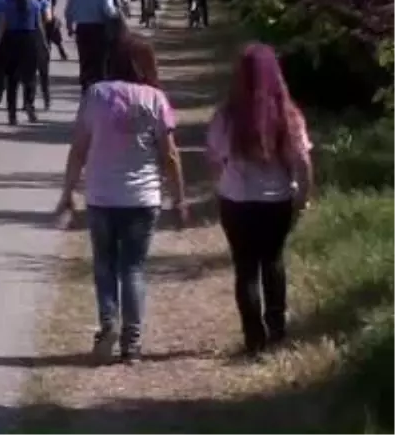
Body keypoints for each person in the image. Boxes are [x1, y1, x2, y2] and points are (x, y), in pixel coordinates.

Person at [54, 33, 189, 365]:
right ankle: (132, 342)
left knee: (104, 264)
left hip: (101, 195)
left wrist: (68, 191)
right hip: (142, 198)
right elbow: (170, 155)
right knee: (134, 268)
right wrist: (180, 198)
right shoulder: (155, 99)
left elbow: (79, 150)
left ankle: (108, 323)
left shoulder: (95, 95)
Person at [207, 44, 313, 356]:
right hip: (277, 200)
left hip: (237, 201)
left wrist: (221, 186)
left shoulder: (226, 116)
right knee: (273, 260)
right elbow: (303, 162)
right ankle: (277, 328)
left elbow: (214, 158)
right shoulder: (289, 114)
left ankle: (254, 336)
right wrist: (303, 197)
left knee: (245, 268)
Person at [0, 0, 49, 125]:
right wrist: (44, 44)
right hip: (29, 40)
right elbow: (39, 26)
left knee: (12, 80)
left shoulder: (7, 4)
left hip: (11, 40)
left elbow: (2, 27)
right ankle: (29, 104)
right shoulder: (34, 3)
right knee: (30, 77)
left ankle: (12, 113)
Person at [65, 0, 120, 92]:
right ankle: (99, 94)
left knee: (85, 62)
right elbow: (108, 10)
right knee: (100, 64)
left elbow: (69, 9)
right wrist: (118, 14)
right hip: (99, 30)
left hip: (82, 29)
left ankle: (86, 91)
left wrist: (69, 26)